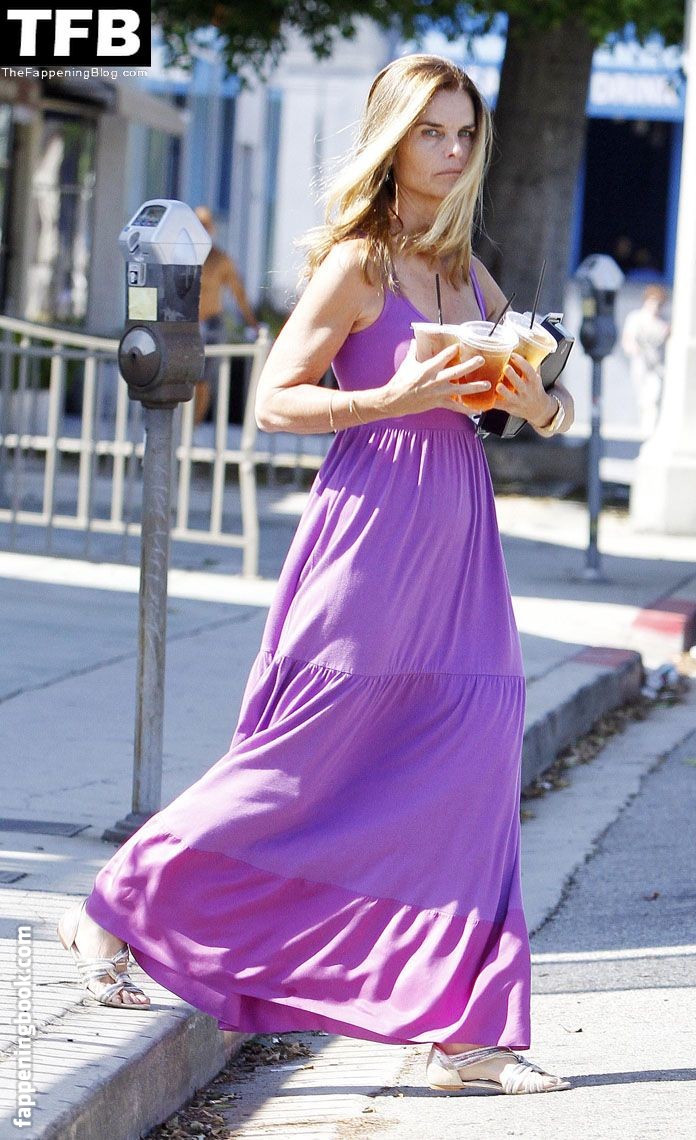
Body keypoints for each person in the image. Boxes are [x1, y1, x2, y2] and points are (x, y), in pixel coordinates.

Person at [57, 55, 574, 1097]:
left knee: (474, 763)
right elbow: (274, 400)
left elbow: (547, 409)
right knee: (303, 755)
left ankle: (470, 1035)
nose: (453, 150)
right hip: (369, 531)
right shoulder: (358, 265)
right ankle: (118, 898)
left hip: (458, 545)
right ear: (393, 140)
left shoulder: (471, 277)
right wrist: (389, 397)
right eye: (432, 131)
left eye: (464, 132)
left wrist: (535, 404)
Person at [193, 205, 259, 425]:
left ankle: (193, 426)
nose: (202, 229)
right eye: (198, 224)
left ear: (211, 229)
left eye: (205, 225)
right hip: (187, 324)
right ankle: (181, 428)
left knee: (202, 380)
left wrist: (253, 324)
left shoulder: (221, 260)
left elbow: (238, 293)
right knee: (183, 378)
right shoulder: (182, 256)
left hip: (211, 324)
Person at [621, 284, 670, 437]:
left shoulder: (663, 323)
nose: (655, 306)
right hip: (640, 364)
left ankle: (650, 430)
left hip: (657, 367)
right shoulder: (636, 318)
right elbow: (628, 339)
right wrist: (632, 349)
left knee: (653, 397)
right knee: (643, 398)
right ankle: (646, 427)